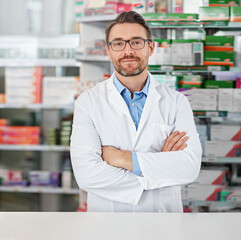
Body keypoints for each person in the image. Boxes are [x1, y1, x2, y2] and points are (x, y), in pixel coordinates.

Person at [70, 11, 202, 212]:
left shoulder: (176, 102)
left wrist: (121, 158)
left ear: (151, 47)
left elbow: (189, 167)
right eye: (118, 43)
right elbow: (87, 175)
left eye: (136, 42)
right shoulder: (88, 103)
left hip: (162, 222)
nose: (127, 51)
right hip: (109, 225)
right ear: (108, 50)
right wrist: (160, 167)